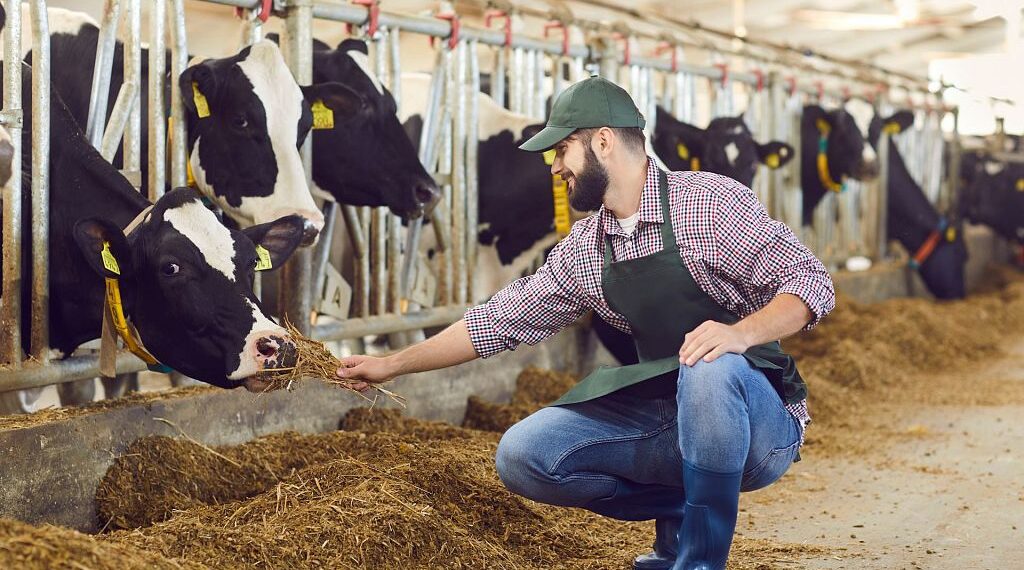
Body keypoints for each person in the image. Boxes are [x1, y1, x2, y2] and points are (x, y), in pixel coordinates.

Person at [336, 76, 835, 570]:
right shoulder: (587, 247)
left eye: (562, 150)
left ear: (603, 141)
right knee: (523, 455)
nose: (555, 168)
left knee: (709, 365)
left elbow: (811, 281)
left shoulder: (708, 204)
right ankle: (678, 505)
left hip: (758, 426)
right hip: (668, 416)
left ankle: (699, 561)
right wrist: (393, 364)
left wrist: (739, 334)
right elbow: (496, 321)